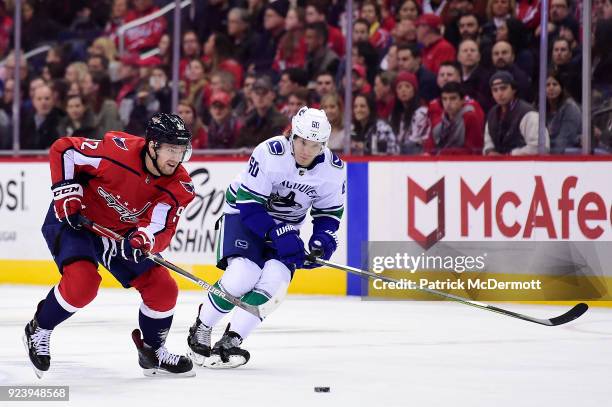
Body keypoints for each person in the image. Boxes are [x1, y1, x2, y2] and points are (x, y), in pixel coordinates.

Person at [23, 113, 196, 378]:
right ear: (152, 146)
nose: (177, 157)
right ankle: (39, 328)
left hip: (120, 234)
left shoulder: (179, 185)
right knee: (83, 285)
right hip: (79, 221)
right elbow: (65, 149)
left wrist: (144, 239)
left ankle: (152, 350)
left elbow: (161, 227)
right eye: (171, 149)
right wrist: (67, 193)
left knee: (163, 289)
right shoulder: (117, 151)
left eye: (181, 150)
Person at [187, 107, 346, 368]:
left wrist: (323, 240)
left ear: (324, 145)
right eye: (302, 141)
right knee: (243, 274)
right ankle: (201, 328)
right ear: (292, 135)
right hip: (242, 213)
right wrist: (279, 233)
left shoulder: (333, 170)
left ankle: (231, 341)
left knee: (275, 283)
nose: (306, 150)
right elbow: (249, 206)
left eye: (315, 145)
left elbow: (328, 214)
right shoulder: (269, 153)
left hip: (285, 226)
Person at [483, 71, 548, 155]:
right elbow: (488, 142)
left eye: (503, 88)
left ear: (513, 90)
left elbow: (540, 147)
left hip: (527, 165)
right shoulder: (492, 114)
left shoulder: (528, 114)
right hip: (498, 165)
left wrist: (510, 155)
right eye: (495, 90)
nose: (499, 93)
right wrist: (490, 151)